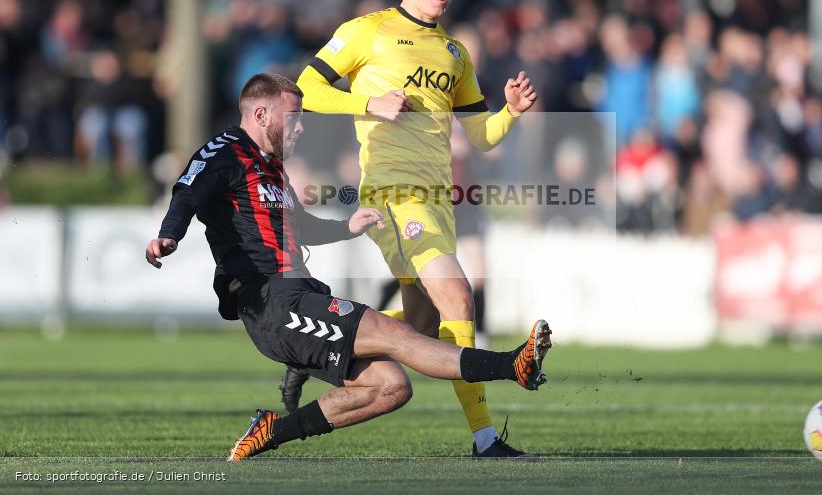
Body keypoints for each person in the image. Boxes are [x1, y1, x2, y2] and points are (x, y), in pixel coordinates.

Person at [144, 73, 551, 461]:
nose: (301, 128)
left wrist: (346, 226)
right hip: (271, 301)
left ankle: (271, 432)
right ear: (261, 114)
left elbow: (299, 226)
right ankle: (510, 365)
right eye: (295, 118)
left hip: (301, 294)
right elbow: (186, 193)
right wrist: (169, 235)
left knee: (391, 387)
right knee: (396, 332)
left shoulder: (271, 167)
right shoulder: (225, 151)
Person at [295, 0, 539, 457]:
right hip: (391, 194)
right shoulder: (367, 32)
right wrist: (366, 104)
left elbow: (480, 135)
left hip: (437, 199)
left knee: (424, 326)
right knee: (459, 296)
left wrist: (511, 114)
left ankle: (319, 351)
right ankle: (484, 437)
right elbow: (306, 89)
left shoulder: (454, 52)